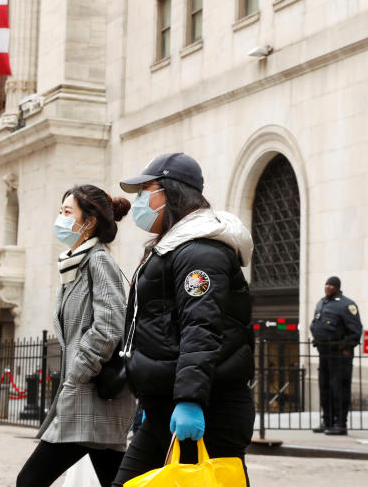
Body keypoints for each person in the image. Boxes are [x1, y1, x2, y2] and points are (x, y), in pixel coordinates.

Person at [112, 153, 255, 487]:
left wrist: (189, 400)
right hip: (168, 406)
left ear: (170, 192)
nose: (139, 202)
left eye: (145, 191)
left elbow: (201, 327)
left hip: (207, 408)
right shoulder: (175, 247)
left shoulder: (200, 250)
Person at [16, 185, 135, 487]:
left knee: (29, 480)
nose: (61, 219)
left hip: (89, 396)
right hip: (88, 399)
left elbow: (109, 325)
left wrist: (79, 371)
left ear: (89, 222)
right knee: (116, 479)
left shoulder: (98, 261)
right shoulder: (75, 265)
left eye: (68, 213)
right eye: (61, 212)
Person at [309, 276, 362, 436]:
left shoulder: (347, 305)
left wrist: (346, 347)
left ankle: (340, 423)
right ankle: (327, 420)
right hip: (324, 353)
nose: (327, 287)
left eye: (331, 285)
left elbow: (355, 331)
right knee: (324, 387)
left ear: (338, 287)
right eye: (326, 284)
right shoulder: (321, 303)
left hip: (339, 355)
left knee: (338, 388)